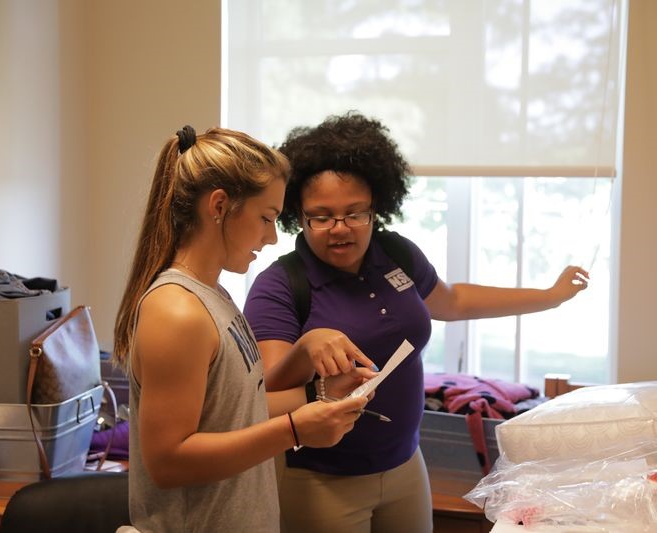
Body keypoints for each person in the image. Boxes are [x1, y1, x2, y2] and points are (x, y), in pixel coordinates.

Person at [243, 112, 590, 533]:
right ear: (297, 215)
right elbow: (265, 395)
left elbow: (455, 301)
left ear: (377, 209)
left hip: (407, 465)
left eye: (355, 213)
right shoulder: (280, 286)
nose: (340, 229)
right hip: (321, 480)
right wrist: (307, 345)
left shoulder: (396, 254)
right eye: (322, 216)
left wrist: (550, 297)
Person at [112, 125, 376, 532]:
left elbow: (231, 410)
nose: (272, 237)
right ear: (219, 205)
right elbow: (168, 461)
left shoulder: (214, 295)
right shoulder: (176, 312)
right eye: (266, 218)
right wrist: (294, 431)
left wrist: (316, 396)